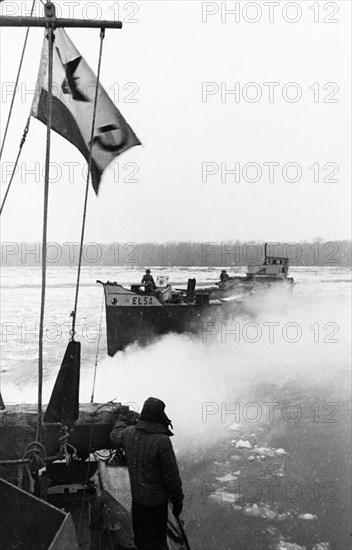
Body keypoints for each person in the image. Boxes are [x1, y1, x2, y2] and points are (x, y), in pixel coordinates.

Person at [110, 397, 184, 550]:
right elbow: (171, 476)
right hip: (157, 505)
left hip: (138, 502)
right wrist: (177, 499)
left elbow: (115, 436)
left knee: (141, 540)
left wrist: (121, 419)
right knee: (157, 542)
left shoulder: (129, 433)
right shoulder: (162, 441)